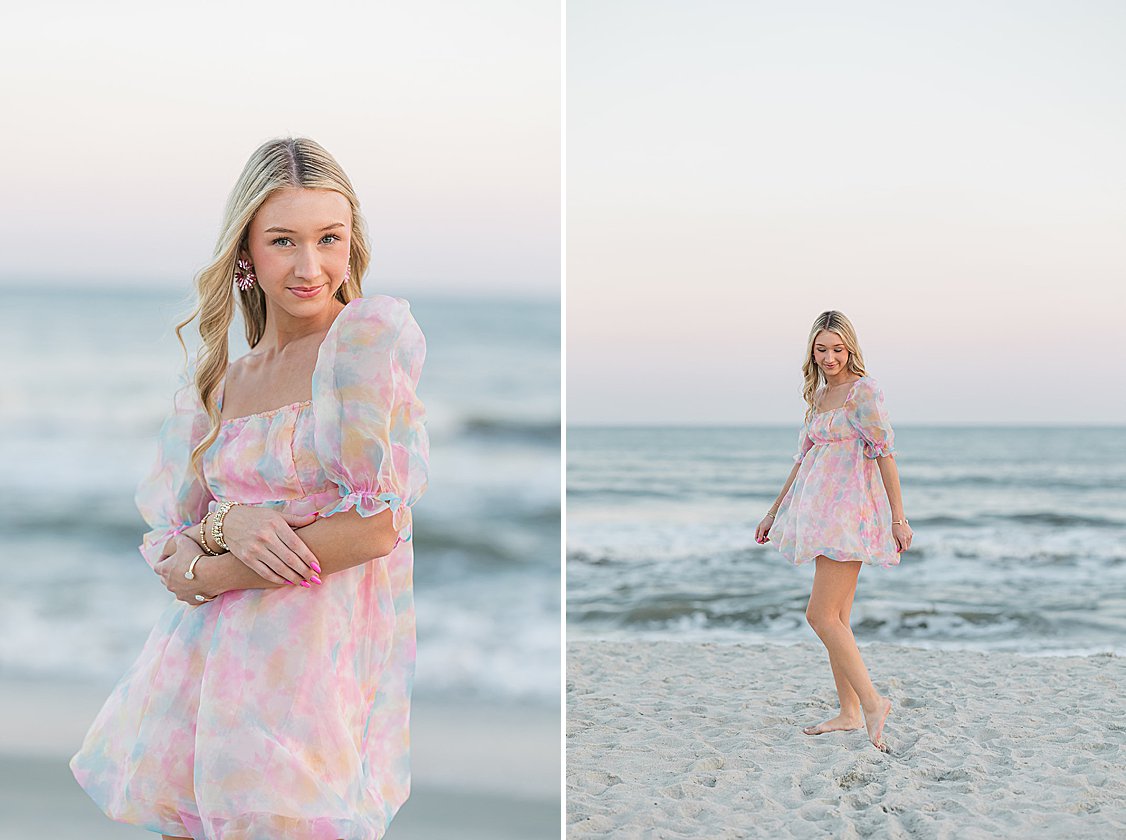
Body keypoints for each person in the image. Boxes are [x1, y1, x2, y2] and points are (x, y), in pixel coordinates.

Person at [69, 137, 430, 839]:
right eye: (282, 241)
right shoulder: (219, 383)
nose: (309, 266)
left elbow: (376, 526)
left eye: (329, 238)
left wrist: (217, 567)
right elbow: (171, 545)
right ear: (246, 253)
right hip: (199, 678)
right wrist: (225, 524)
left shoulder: (362, 347)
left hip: (305, 681)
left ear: (351, 243)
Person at [754, 310, 911, 753]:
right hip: (818, 512)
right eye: (821, 349)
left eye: (837, 349)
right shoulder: (820, 394)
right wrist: (773, 512)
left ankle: (873, 702)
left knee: (819, 616)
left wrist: (898, 518)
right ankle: (849, 713)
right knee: (837, 619)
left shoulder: (864, 391)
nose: (829, 357)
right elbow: (801, 460)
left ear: (851, 348)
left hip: (851, 515)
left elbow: (885, 455)